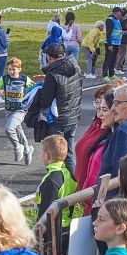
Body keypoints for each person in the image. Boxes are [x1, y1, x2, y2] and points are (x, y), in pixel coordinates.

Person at [38, 43, 82, 175]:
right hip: (73, 116)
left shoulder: (53, 75)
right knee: (68, 154)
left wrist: (40, 88)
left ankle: (56, 182)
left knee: (54, 156)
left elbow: (45, 100)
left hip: (58, 120)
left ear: (50, 58)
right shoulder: (75, 67)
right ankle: (75, 183)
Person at [74, 82, 121, 190]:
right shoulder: (97, 123)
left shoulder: (112, 134)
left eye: (104, 107)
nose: (99, 108)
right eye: (97, 102)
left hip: (92, 193)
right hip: (82, 188)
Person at [35, 135, 76, 255]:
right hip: (66, 224)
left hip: (54, 231)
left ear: (47, 155)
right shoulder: (67, 172)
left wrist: (39, 232)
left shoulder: (52, 180)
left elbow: (47, 211)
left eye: (42, 152)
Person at [0, 57, 34, 164]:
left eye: (14, 69)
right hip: (9, 109)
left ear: (19, 69)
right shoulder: (4, 79)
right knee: (18, 130)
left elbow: (34, 88)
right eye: (9, 69)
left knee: (9, 129)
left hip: (20, 110)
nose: (11, 71)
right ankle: (27, 149)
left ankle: (17, 147)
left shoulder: (25, 79)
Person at [82, 91, 117, 215]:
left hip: (101, 205)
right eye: (99, 108)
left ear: (116, 110)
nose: (100, 114)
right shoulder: (105, 135)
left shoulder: (117, 140)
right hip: (91, 199)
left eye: (105, 110)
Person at [102, 7, 123, 82]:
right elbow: (108, 33)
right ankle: (104, 75)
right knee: (108, 59)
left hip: (117, 42)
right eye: (120, 12)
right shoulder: (110, 20)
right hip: (111, 43)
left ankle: (111, 74)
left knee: (114, 59)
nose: (121, 14)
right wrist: (109, 44)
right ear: (116, 12)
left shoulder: (117, 20)